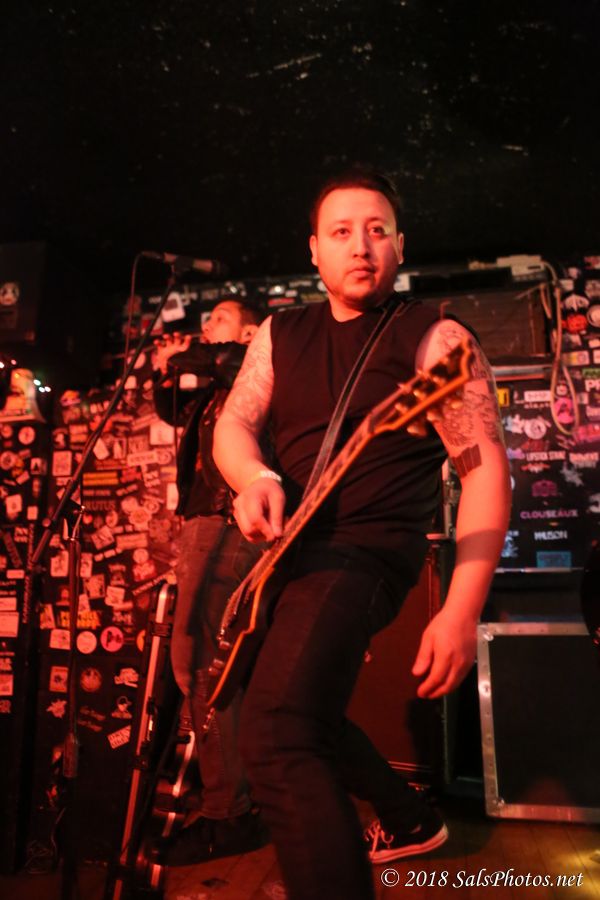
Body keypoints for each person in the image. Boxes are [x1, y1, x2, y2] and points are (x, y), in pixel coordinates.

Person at [212, 169, 511, 899]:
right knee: (288, 710)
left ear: (400, 246)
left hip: (366, 553)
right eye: (341, 232)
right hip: (291, 554)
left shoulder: (436, 337)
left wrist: (462, 608)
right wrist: (254, 477)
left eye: (377, 231)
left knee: (276, 732)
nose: (361, 246)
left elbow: (484, 472)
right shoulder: (281, 333)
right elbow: (234, 423)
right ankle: (408, 818)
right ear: (314, 250)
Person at [152, 298, 268, 864]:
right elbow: (171, 408)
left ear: (248, 331)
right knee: (213, 665)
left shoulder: (251, 363)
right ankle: (236, 795)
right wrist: (163, 371)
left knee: (197, 662)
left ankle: (229, 811)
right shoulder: (215, 391)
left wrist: (180, 355)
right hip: (206, 521)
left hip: (225, 520)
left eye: (218, 318)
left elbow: (221, 360)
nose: (205, 327)